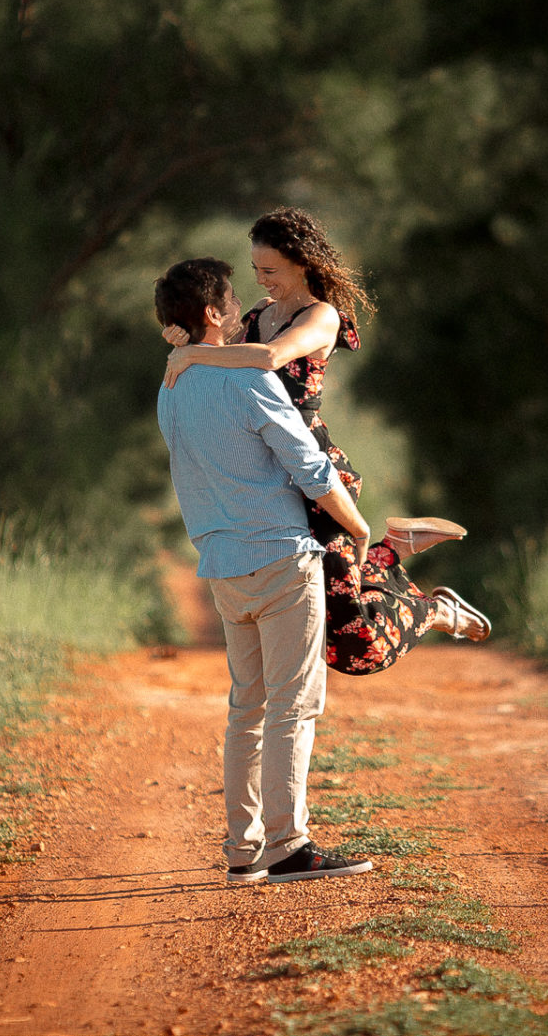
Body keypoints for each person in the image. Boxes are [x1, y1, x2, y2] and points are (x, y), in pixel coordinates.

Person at [161, 208, 490, 674]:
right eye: (256, 270)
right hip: (270, 468)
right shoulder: (256, 314)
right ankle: (395, 547)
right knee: (334, 613)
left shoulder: (321, 316)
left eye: (270, 271)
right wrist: (180, 335)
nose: (262, 280)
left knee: (355, 643)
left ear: (303, 263)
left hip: (312, 465)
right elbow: (216, 342)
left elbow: (271, 357)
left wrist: (191, 352)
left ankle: (434, 609)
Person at [154, 256, 375, 885]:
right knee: (292, 707)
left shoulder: (170, 387)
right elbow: (307, 465)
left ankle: (243, 848)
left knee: (246, 708)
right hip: (280, 555)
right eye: (231, 302)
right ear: (213, 315)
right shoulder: (244, 379)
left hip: (222, 563)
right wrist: (356, 526)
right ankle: (288, 846)